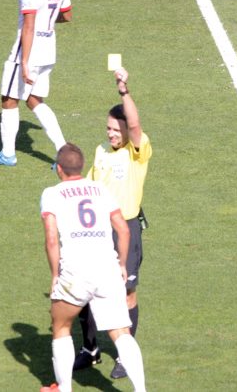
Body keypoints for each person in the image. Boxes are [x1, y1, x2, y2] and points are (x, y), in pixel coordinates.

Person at [39, 143, 146, 392]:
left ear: (59, 169)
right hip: (107, 267)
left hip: (75, 271)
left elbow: (52, 239)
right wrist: (121, 263)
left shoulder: (51, 194)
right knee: (122, 332)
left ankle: (64, 389)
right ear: (82, 166)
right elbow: (122, 228)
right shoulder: (101, 189)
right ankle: (141, 390)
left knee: (61, 325)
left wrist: (55, 275)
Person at [72, 67, 152, 379]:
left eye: (116, 130)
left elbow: (135, 123)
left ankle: (124, 354)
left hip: (127, 230)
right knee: (85, 290)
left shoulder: (137, 152)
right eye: (108, 128)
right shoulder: (101, 152)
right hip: (97, 232)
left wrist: (123, 89)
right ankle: (89, 349)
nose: (110, 134)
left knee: (126, 292)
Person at [0, 0, 72, 167]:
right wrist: (45, 22)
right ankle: (63, 151)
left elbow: (29, 27)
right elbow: (67, 16)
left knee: (9, 99)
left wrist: (24, 62)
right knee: (34, 100)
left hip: (28, 51)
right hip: (48, 50)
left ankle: (8, 155)